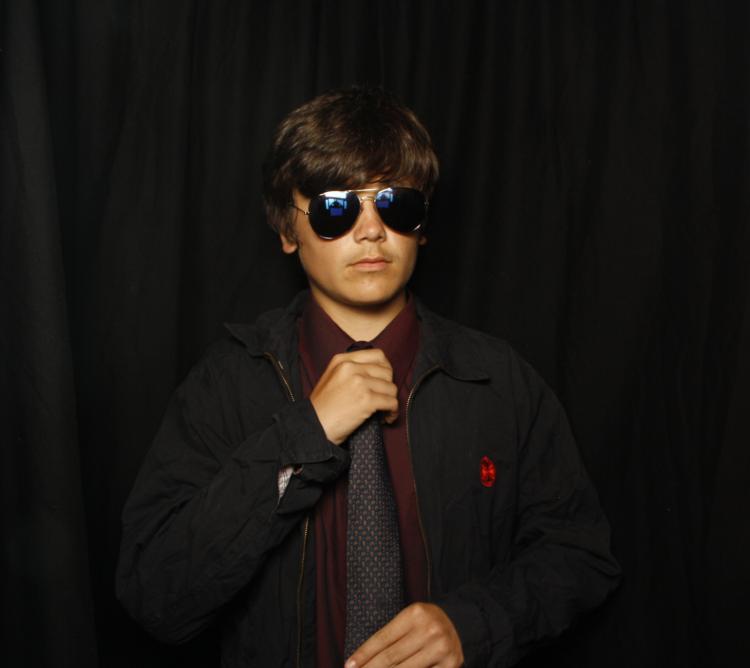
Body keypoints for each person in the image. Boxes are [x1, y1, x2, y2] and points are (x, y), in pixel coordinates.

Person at [116, 86, 621, 668]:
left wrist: (473, 626)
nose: (371, 231)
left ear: (421, 225)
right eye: (336, 208)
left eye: (395, 205)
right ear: (287, 231)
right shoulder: (227, 385)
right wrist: (306, 436)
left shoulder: (498, 382)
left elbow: (581, 554)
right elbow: (155, 594)